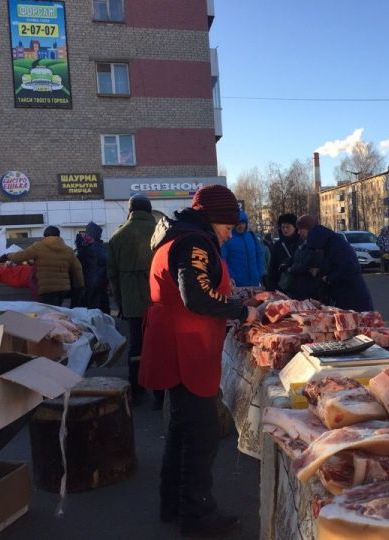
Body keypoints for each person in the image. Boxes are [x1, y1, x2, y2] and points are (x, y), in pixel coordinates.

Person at [138, 185, 258, 538]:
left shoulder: (181, 235)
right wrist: (243, 311)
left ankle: (172, 503)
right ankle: (197, 514)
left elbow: (194, 287)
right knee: (201, 435)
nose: (229, 232)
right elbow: (196, 295)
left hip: (175, 341)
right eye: (227, 224)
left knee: (181, 428)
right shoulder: (193, 241)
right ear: (215, 217)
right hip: (186, 345)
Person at [107, 196, 161, 407]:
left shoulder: (117, 236)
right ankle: (161, 393)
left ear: (130, 211)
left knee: (136, 345)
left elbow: (112, 275)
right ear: (149, 211)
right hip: (159, 301)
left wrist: (121, 303)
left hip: (131, 301)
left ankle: (137, 391)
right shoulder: (160, 232)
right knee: (158, 345)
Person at [303, 217, 374, 311]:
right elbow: (332, 264)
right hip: (344, 293)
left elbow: (349, 269)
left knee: (358, 321)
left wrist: (329, 278)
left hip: (352, 295)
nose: (317, 250)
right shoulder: (330, 244)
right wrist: (320, 270)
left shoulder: (338, 247)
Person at [1, 225, 84, 306]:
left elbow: (21, 256)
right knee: (58, 312)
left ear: (45, 236)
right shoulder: (68, 250)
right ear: (59, 235)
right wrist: (79, 286)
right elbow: (77, 268)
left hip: (46, 289)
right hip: (63, 289)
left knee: (47, 315)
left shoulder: (39, 246)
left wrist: (7, 256)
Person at [220, 210, 266, 287]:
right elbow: (223, 259)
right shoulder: (228, 238)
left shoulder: (252, 236)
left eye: (243, 223)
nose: (241, 226)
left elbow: (260, 255)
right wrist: (231, 276)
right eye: (238, 224)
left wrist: (260, 273)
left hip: (255, 281)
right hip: (236, 283)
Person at [286, 215, 324, 301]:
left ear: (308, 229)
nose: (298, 232)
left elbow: (306, 265)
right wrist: (288, 262)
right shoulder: (304, 242)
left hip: (310, 291)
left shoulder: (317, 245)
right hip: (300, 288)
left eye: (300, 229)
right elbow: (297, 258)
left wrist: (291, 268)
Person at [75, 221, 110, 313]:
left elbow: (80, 260)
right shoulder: (102, 248)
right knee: (102, 309)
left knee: (92, 310)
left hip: (90, 284)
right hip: (101, 283)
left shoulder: (89, 248)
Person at [267, 213, 301, 292]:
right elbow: (273, 267)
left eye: (288, 227)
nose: (285, 229)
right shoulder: (277, 245)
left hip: (300, 286)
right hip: (283, 286)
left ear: (294, 227)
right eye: (283, 227)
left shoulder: (302, 243)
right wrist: (271, 287)